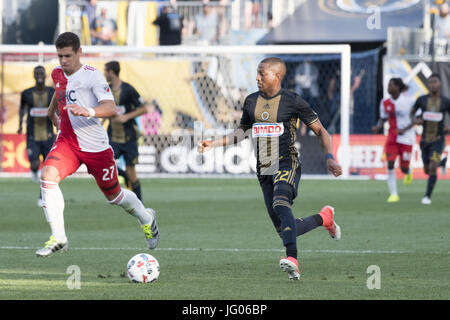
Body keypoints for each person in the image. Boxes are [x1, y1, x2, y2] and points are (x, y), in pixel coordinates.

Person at [197, 57, 342, 280]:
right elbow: (242, 132)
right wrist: (213, 143)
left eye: (261, 74)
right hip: (264, 168)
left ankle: (292, 259)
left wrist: (330, 157)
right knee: (286, 226)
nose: (257, 78)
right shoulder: (251, 101)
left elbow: (321, 131)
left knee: (280, 202)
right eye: (257, 73)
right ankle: (324, 218)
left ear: (277, 76)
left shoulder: (292, 101)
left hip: (287, 162)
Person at [36, 32, 159, 257]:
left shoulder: (92, 76)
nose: (63, 61)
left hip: (95, 147)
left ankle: (146, 217)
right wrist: (51, 111)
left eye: (68, 56)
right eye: (60, 56)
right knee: (47, 176)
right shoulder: (57, 73)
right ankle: (60, 237)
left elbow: (110, 108)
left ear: (79, 52)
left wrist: (89, 111)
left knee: (115, 197)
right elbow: (59, 90)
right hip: (68, 142)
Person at [104, 60, 152, 201]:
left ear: (111, 72)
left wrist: (126, 117)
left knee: (132, 173)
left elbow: (144, 108)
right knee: (106, 163)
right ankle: (123, 175)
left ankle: (140, 202)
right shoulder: (105, 90)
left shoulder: (128, 89)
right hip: (113, 137)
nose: (104, 74)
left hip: (129, 137)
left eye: (105, 71)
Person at [371, 78, 416, 203]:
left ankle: (408, 171)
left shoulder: (409, 101)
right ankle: (394, 194)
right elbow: (383, 118)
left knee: (403, 169)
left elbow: (417, 119)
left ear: (397, 87)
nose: (388, 87)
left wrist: (404, 129)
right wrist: (378, 127)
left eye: (391, 85)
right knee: (390, 164)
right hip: (392, 137)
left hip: (407, 138)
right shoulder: (384, 102)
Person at [18, 66, 56, 206]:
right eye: (37, 73)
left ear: (45, 76)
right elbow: (22, 109)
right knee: (35, 164)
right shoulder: (27, 93)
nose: (39, 75)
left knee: (47, 170)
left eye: (41, 73)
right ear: (34, 76)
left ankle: (43, 197)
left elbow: (57, 109)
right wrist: (19, 124)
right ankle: (34, 171)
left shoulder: (52, 92)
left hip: (48, 137)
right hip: (32, 136)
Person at [411, 73, 450, 205]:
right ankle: (442, 163)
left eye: (435, 82)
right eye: (430, 82)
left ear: (439, 84)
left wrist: (448, 127)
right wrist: (416, 120)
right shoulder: (422, 100)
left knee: (432, 166)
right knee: (427, 169)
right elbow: (412, 112)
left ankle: (427, 196)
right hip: (424, 140)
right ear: (428, 84)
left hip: (438, 140)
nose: (432, 84)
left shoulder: (445, 101)